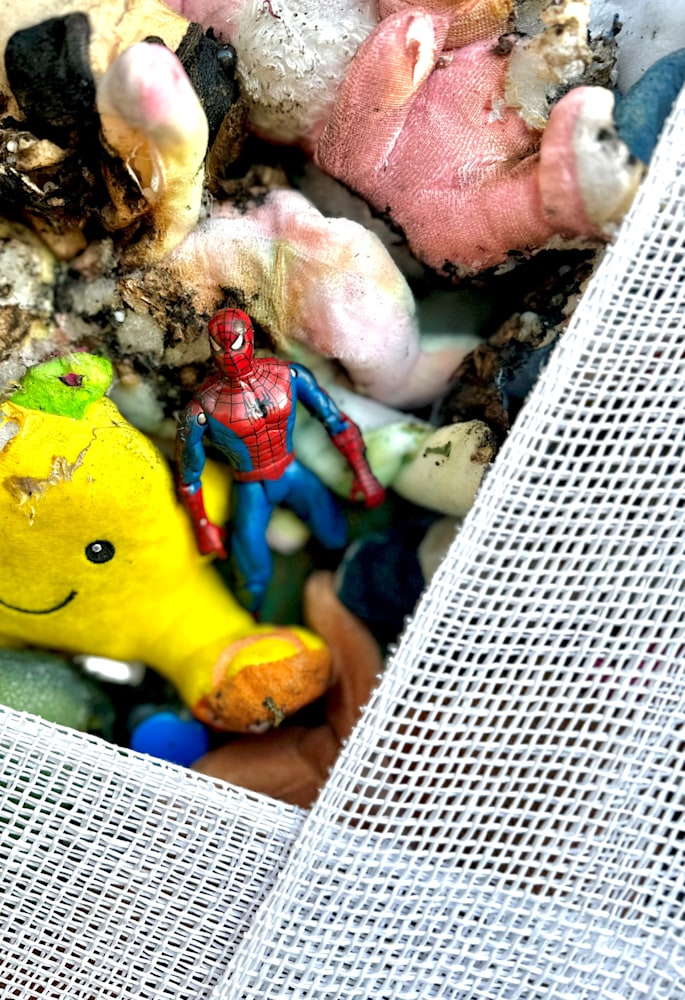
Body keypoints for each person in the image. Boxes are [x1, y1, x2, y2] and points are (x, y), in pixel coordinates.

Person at [176, 308, 384, 611]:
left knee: (334, 531)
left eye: (236, 343)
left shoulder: (288, 375)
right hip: (250, 486)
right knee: (251, 572)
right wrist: (202, 524)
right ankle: (251, 618)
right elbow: (189, 477)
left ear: (250, 339)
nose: (229, 354)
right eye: (220, 346)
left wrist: (363, 472)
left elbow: (337, 422)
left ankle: (348, 580)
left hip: (291, 469)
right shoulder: (201, 410)